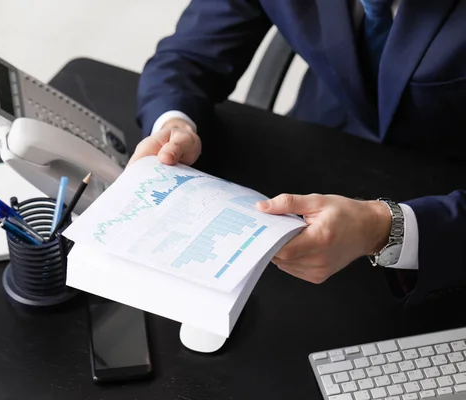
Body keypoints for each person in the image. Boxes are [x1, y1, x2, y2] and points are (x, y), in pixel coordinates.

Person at [130, 0, 466, 303]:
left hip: (440, 221)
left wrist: (383, 228)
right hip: (309, 151)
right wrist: (175, 124)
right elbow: (189, 54)